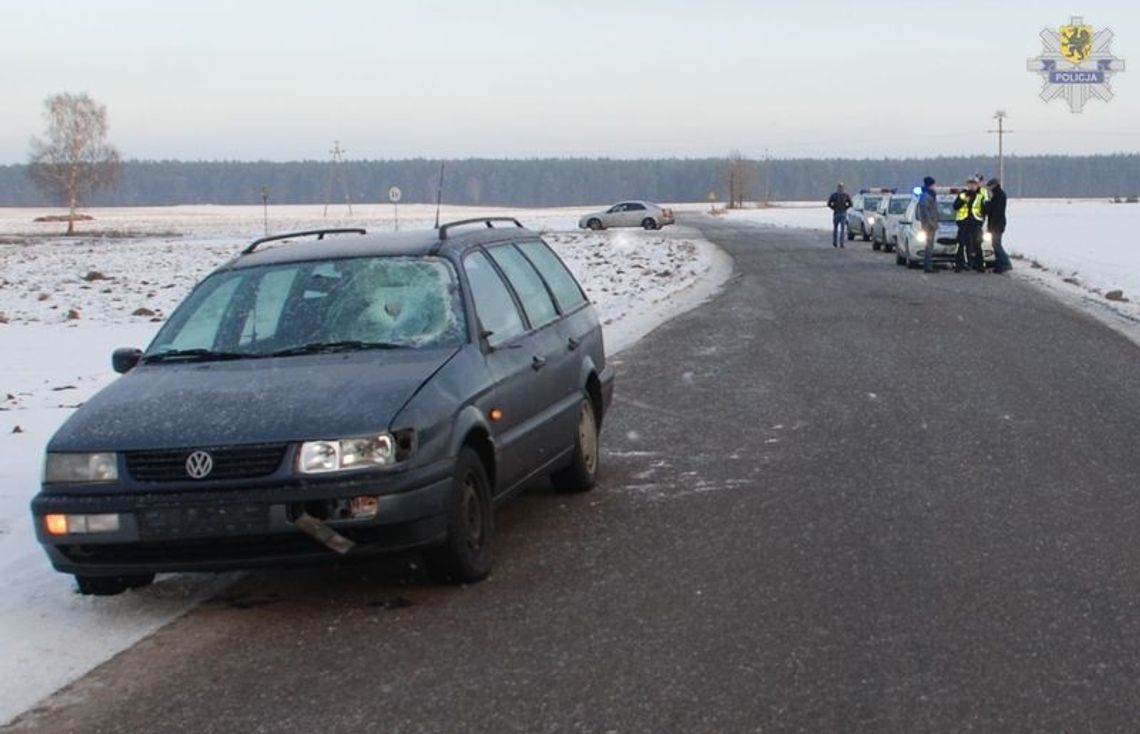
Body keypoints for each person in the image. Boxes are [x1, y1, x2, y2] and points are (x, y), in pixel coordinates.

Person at [952, 179, 985, 272]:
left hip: (975, 222)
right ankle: (959, 265)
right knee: (961, 244)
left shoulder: (980, 196)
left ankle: (979, 265)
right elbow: (955, 206)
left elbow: (984, 210)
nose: (972, 187)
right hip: (963, 222)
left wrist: (981, 221)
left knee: (977, 244)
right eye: (970, 185)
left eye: (974, 185)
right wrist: (964, 200)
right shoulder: (962, 195)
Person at [984, 177, 1012, 273]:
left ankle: (1005, 262)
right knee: (996, 244)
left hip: (996, 225)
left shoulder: (998, 196)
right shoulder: (999, 195)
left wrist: (986, 205)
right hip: (998, 224)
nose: (989, 189)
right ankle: (1000, 264)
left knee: (996, 245)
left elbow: (994, 211)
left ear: (994, 185)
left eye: (990, 186)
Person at [917, 176, 940, 273]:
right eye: (934, 184)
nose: (935, 186)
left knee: (930, 246)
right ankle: (928, 266)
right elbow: (925, 212)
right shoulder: (926, 196)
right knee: (929, 246)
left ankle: (929, 265)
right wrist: (931, 223)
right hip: (928, 225)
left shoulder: (930, 195)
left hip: (931, 224)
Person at [826, 183, 852, 248]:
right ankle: (835, 242)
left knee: (842, 229)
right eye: (839, 187)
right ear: (837, 188)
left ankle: (841, 243)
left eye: (841, 188)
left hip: (843, 213)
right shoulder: (834, 195)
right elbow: (829, 203)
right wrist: (833, 208)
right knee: (835, 229)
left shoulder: (846, 195)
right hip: (836, 213)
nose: (840, 189)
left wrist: (846, 208)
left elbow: (851, 204)